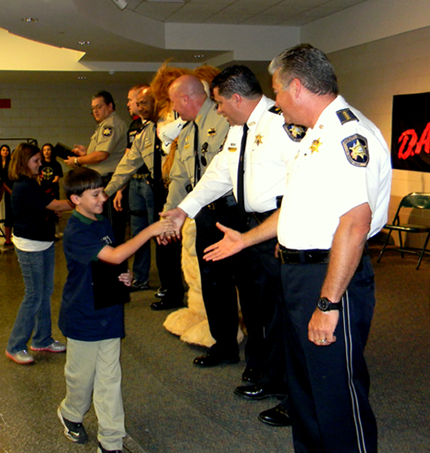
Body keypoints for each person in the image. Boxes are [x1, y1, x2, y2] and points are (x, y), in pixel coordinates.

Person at [204, 44, 392, 453]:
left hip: (329, 279)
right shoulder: (316, 135)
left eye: (277, 91)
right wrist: (247, 238)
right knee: (305, 389)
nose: (275, 102)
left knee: (335, 392)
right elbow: (298, 208)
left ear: (299, 87)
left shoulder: (346, 133)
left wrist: (327, 305)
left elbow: (355, 223)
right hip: (301, 275)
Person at [162, 65, 303, 387]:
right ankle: (260, 365)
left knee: (278, 308)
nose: (219, 111)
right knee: (255, 304)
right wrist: (183, 210)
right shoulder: (241, 128)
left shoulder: (282, 123)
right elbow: (219, 173)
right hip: (248, 225)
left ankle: (279, 379)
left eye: (220, 104)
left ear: (236, 98)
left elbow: (302, 182)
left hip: (278, 225)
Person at [57, 167, 172, 453]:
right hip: (83, 315)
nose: (103, 199)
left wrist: (125, 275)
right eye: (94, 194)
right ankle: (70, 412)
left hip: (108, 312)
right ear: (75, 199)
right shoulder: (76, 232)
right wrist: (150, 229)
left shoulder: (101, 223)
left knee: (109, 377)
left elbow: (113, 260)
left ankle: (110, 441)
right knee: (81, 379)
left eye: (102, 192)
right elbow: (115, 253)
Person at [5, 143, 72, 365]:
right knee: (33, 295)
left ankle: (42, 339)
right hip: (30, 245)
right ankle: (15, 345)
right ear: (25, 163)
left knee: (45, 292)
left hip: (43, 242)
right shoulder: (25, 186)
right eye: (36, 160)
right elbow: (57, 206)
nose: (41, 163)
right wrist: (82, 202)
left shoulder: (32, 183)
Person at [65, 90, 128, 244]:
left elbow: (102, 155)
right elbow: (104, 153)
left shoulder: (111, 125)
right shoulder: (103, 126)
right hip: (103, 181)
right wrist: (87, 152)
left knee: (111, 228)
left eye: (99, 107)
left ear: (110, 106)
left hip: (110, 182)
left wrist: (78, 161)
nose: (95, 111)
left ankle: (115, 264)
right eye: (93, 109)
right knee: (103, 227)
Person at [110, 85, 155, 292]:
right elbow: (129, 160)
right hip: (134, 183)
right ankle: (141, 278)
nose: (129, 104)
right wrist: (119, 190)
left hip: (151, 183)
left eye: (131, 100)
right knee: (139, 233)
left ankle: (170, 284)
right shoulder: (134, 127)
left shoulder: (159, 124)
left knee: (161, 232)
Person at [0, 144, 14, 246]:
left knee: (9, 214)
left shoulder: (11, 164)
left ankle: (9, 239)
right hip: (2, 188)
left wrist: (9, 190)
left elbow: (6, 180)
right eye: (3, 150)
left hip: (9, 188)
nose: (5, 152)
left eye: (7, 150)